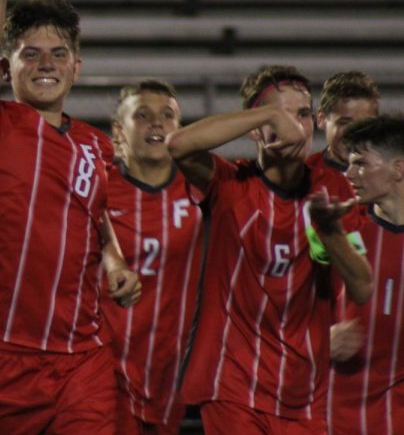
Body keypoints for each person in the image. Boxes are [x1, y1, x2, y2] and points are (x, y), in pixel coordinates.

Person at [0, 0, 140, 433]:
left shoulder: (95, 144)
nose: (45, 64)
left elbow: (95, 217)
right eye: (30, 54)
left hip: (83, 355)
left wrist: (116, 264)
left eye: (58, 54)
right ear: (8, 65)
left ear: (77, 68)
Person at [166, 64, 373, 434]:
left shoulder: (333, 191)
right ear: (255, 128)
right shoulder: (231, 185)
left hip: (304, 391)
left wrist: (330, 231)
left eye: (303, 114)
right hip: (231, 384)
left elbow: (361, 285)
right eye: (280, 115)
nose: (295, 126)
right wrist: (268, 114)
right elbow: (178, 144)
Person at [104, 80, 205, 435]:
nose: (157, 124)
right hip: (103, 367)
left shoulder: (204, 191)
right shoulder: (97, 188)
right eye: (142, 116)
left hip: (169, 370)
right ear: (119, 131)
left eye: (167, 116)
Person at [325, 115, 404, 435]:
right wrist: (319, 339)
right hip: (334, 408)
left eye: (360, 164)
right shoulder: (337, 228)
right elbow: (291, 303)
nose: (349, 174)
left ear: (398, 169)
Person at [308, 71, 380, 174]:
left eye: (365, 124)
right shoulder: (301, 178)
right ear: (321, 119)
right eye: (345, 123)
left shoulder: (390, 177)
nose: (356, 133)